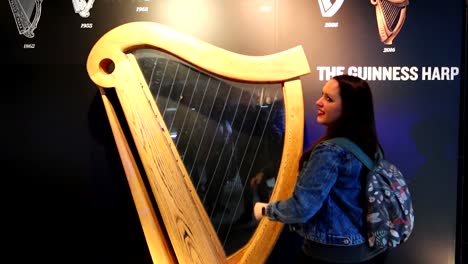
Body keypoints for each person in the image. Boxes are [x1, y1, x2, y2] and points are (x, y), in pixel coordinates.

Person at [254, 75, 388, 263]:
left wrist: (265, 210)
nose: (318, 102)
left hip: (331, 255)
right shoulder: (371, 147)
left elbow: (302, 208)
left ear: (349, 109)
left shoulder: (329, 152)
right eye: (322, 95)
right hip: (370, 250)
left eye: (329, 99)